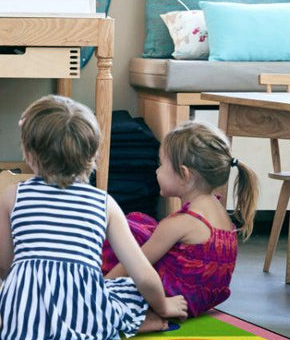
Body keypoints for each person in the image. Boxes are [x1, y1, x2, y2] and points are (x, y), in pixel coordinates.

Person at [0, 96, 188, 340]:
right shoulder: (104, 203)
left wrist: (26, 290)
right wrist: (164, 305)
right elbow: (144, 276)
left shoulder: (13, 195)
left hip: (19, 322)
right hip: (86, 318)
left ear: (29, 154)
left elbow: (3, 265)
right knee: (126, 288)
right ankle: (139, 321)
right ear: (93, 154)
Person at [101, 121, 259, 318]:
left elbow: (132, 264)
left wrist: (101, 290)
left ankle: (145, 315)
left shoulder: (182, 223)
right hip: (203, 297)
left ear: (184, 174)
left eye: (161, 165)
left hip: (176, 297)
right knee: (143, 225)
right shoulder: (218, 211)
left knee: (127, 230)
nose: (157, 171)